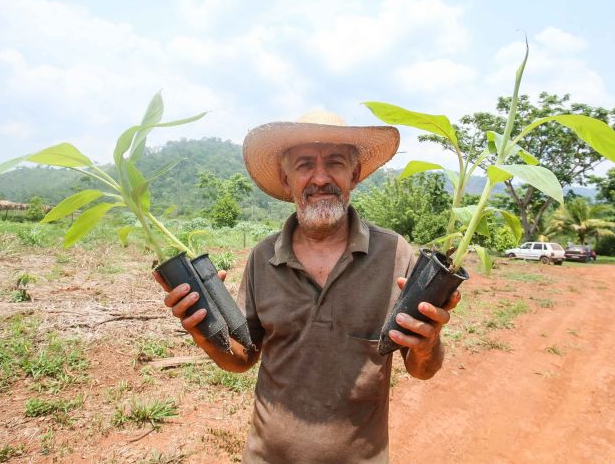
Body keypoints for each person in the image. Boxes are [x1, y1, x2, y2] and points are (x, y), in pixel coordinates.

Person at [155, 110, 461, 463]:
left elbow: (422, 369)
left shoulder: (394, 253)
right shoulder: (263, 257)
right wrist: (201, 330)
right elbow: (242, 359)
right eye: (304, 165)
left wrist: (429, 340)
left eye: (335, 162)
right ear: (287, 180)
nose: (320, 177)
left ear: (354, 174)